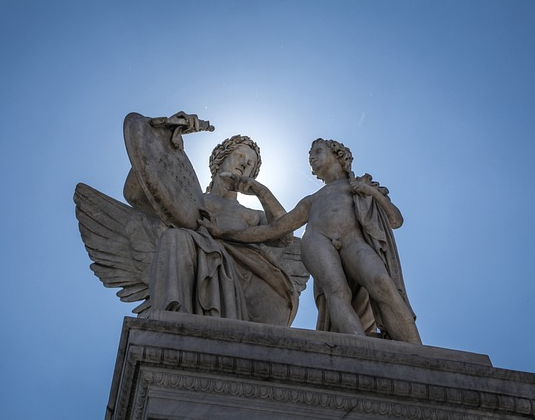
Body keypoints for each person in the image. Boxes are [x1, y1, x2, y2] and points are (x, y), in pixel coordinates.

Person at [202, 138, 421, 344]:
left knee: (382, 282)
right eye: (310, 155)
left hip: (353, 240)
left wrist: (372, 193)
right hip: (317, 241)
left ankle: (417, 350)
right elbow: (275, 230)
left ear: (339, 156)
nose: (312, 158)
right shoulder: (311, 201)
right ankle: (360, 348)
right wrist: (226, 233)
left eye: (318, 151)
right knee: (337, 292)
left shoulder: (360, 186)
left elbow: (395, 220)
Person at [145, 134, 299, 326]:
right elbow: (136, 193)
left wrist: (262, 192)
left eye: (250, 164)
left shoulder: (251, 215)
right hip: (198, 261)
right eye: (240, 156)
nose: (244, 164)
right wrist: (162, 144)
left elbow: (285, 236)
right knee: (175, 236)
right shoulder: (191, 199)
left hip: (250, 272)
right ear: (220, 159)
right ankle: (174, 315)